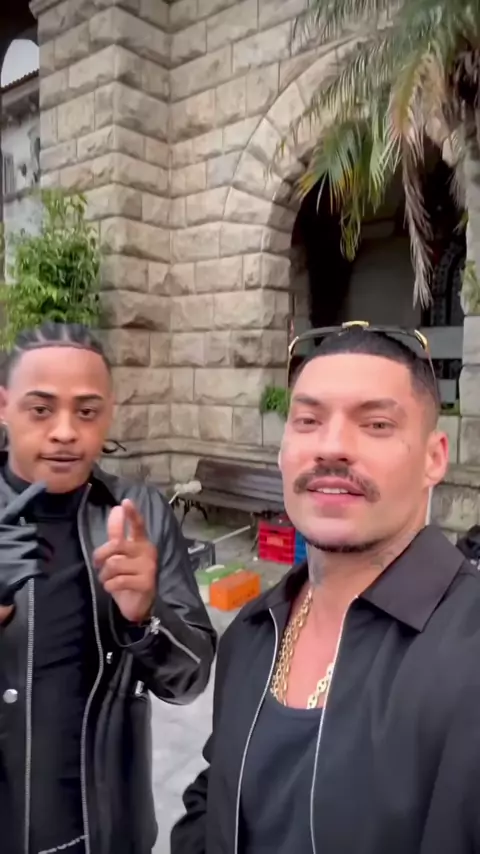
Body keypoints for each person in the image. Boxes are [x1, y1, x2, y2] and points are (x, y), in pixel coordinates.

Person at [172, 322, 480, 854]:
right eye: (309, 421)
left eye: (377, 424)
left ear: (434, 457)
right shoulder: (252, 633)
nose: (333, 447)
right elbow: (214, 796)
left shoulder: (467, 656)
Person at [0, 322, 216, 854]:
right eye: (41, 409)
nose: (65, 432)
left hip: (105, 830)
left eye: (87, 411)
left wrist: (145, 616)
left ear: (109, 413)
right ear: (4, 406)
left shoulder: (138, 515)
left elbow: (189, 680)